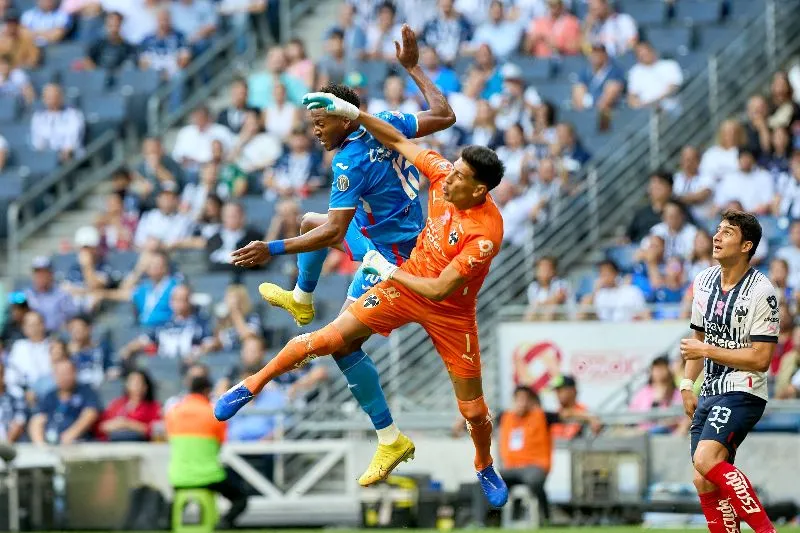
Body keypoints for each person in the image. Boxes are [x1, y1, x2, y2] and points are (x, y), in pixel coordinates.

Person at [218, 88, 509, 508]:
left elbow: (441, 289)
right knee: (332, 338)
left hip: (446, 309)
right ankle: (252, 384)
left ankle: (482, 463)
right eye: (454, 171)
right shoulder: (444, 176)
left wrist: (385, 270)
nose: (449, 180)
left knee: (474, 412)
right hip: (403, 274)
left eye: (461, 179)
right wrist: (354, 111)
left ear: (480, 191)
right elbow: (400, 140)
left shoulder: (485, 234)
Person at [227, 24, 456, 481]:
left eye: (320, 121)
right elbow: (444, 114)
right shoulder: (385, 123)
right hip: (393, 237)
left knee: (342, 344)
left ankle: (390, 438)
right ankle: (301, 297)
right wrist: (412, 68)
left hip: (396, 259)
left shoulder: (348, 162)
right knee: (310, 220)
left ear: (343, 117)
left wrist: (270, 248)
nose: (314, 131)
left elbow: (336, 229)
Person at [681, 210, 780, 533]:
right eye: (718, 230)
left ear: (746, 246)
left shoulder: (761, 291)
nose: (717, 237)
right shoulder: (704, 281)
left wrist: (707, 350)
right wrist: (686, 384)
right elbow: (697, 338)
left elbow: (761, 358)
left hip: (744, 388)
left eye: (727, 233)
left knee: (706, 460)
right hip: (709, 388)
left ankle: (767, 530)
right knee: (703, 477)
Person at [166, 375, 247, 529]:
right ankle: (222, 524)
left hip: (178, 478)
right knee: (240, 498)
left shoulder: (173, 412)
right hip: (209, 477)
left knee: (178, 498)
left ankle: (168, 521)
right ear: (207, 391)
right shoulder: (214, 413)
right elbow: (219, 445)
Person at [471, 386, 553, 526]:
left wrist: (590, 419)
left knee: (534, 480)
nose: (522, 403)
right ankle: (480, 522)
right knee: (483, 481)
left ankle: (544, 516)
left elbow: (567, 415)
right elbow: (482, 419)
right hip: (511, 469)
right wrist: (464, 421)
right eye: (519, 399)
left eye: (525, 399)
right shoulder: (506, 416)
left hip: (534, 467)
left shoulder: (541, 416)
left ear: (532, 401)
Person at [28, 359, 100, 445]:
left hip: (77, 443)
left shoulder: (86, 391)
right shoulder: (50, 395)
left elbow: (90, 414)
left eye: (67, 373)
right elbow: (38, 419)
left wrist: (71, 435)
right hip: (49, 442)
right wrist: (40, 444)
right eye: (60, 374)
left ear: (75, 373)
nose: (64, 377)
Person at [98, 370, 161, 442]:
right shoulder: (117, 404)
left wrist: (127, 424)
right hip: (116, 444)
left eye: (138, 382)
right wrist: (118, 424)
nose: (135, 386)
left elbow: (155, 430)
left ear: (145, 387)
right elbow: (102, 427)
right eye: (132, 382)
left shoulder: (153, 406)